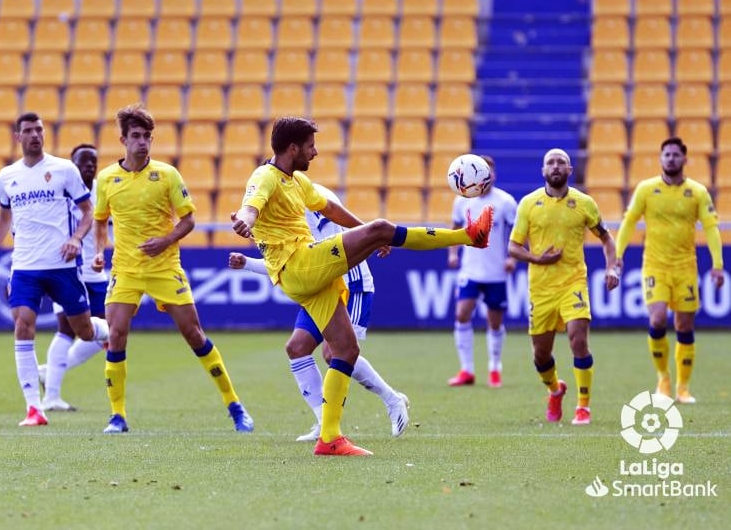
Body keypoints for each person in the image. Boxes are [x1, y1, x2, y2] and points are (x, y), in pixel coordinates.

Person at [231, 116, 493, 456]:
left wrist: (366, 232)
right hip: (300, 264)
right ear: (292, 148)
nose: (316, 151)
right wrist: (244, 220)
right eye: (310, 146)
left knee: (345, 350)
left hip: (303, 276)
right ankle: (468, 236)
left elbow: (332, 210)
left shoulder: (296, 181)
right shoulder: (265, 176)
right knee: (382, 226)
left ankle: (329, 439)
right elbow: (250, 206)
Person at [92, 104, 254, 435]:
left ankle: (235, 406)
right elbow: (99, 221)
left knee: (194, 334)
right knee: (116, 333)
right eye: (136, 136)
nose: (142, 142)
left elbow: (189, 219)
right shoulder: (106, 178)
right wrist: (98, 252)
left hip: (165, 266)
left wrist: (165, 241)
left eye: (147, 137)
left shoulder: (167, 175)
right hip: (126, 268)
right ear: (123, 139)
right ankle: (117, 416)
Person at [228, 183, 410, 442]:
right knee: (297, 347)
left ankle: (392, 400)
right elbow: (283, 262)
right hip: (320, 287)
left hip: (352, 284)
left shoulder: (303, 203)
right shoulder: (294, 199)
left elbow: (303, 256)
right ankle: (322, 422)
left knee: (334, 352)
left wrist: (375, 237)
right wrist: (246, 260)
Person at [0, 112, 110, 427]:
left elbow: (88, 211)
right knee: (23, 326)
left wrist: (77, 239)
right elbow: (3, 217)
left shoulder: (64, 170)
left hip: (62, 267)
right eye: (28, 131)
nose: (35, 135)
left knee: (83, 331)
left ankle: (109, 332)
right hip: (25, 267)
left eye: (39, 130)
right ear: (18, 137)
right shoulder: (7, 176)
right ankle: (34, 409)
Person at [508, 148, 620, 426]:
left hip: (573, 282)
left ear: (570, 170)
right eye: (550, 162)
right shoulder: (528, 204)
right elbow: (513, 246)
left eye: (561, 162)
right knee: (541, 354)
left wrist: (612, 267)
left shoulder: (584, 203)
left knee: (578, 340)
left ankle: (584, 407)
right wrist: (536, 258)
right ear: (543, 170)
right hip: (541, 288)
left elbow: (607, 239)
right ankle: (555, 390)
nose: (556, 166)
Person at [615, 137, 723, 404]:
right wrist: (617, 256)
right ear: (660, 158)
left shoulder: (697, 192)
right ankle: (663, 379)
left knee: (685, 326)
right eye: (667, 155)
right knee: (658, 320)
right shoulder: (646, 190)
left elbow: (711, 228)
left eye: (676, 155)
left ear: (685, 159)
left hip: (686, 267)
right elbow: (629, 222)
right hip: (655, 265)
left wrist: (718, 265)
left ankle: (683, 387)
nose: (671, 159)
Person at [37, 144, 109, 411]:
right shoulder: (61, 190)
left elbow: (106, 224)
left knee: (105, 332)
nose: (90, 166)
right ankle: (51, 397)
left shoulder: (103, 189)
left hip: (97, 272)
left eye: (94, 161)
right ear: (73, 163)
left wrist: (102, 249)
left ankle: (49, 372)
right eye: (84, 161)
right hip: (68, 269)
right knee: (66, 330)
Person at [446, 156, 518, 388]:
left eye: (490, 172)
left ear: (492, 175)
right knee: (461, 314)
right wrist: (453, 253)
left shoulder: (506, 202)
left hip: (496, 271)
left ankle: (495, 367)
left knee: (494, 322)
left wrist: (511, 259)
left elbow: (516, 234)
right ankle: (467, 370)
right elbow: (455, 228)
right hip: (470, 270)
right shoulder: (462, 201)